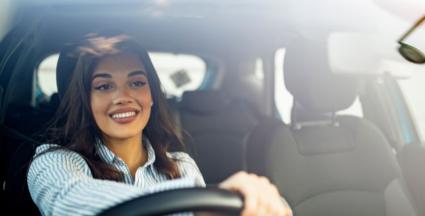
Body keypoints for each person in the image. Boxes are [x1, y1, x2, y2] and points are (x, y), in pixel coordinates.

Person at [27, 34, 292, 216]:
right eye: (104, 86)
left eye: (137, 82)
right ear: (85, 100)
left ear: (152, 95)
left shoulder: (181, 166)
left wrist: (258, 202)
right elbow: (69, 202)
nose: (123, 98)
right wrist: (201, 202)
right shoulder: (53, 161)